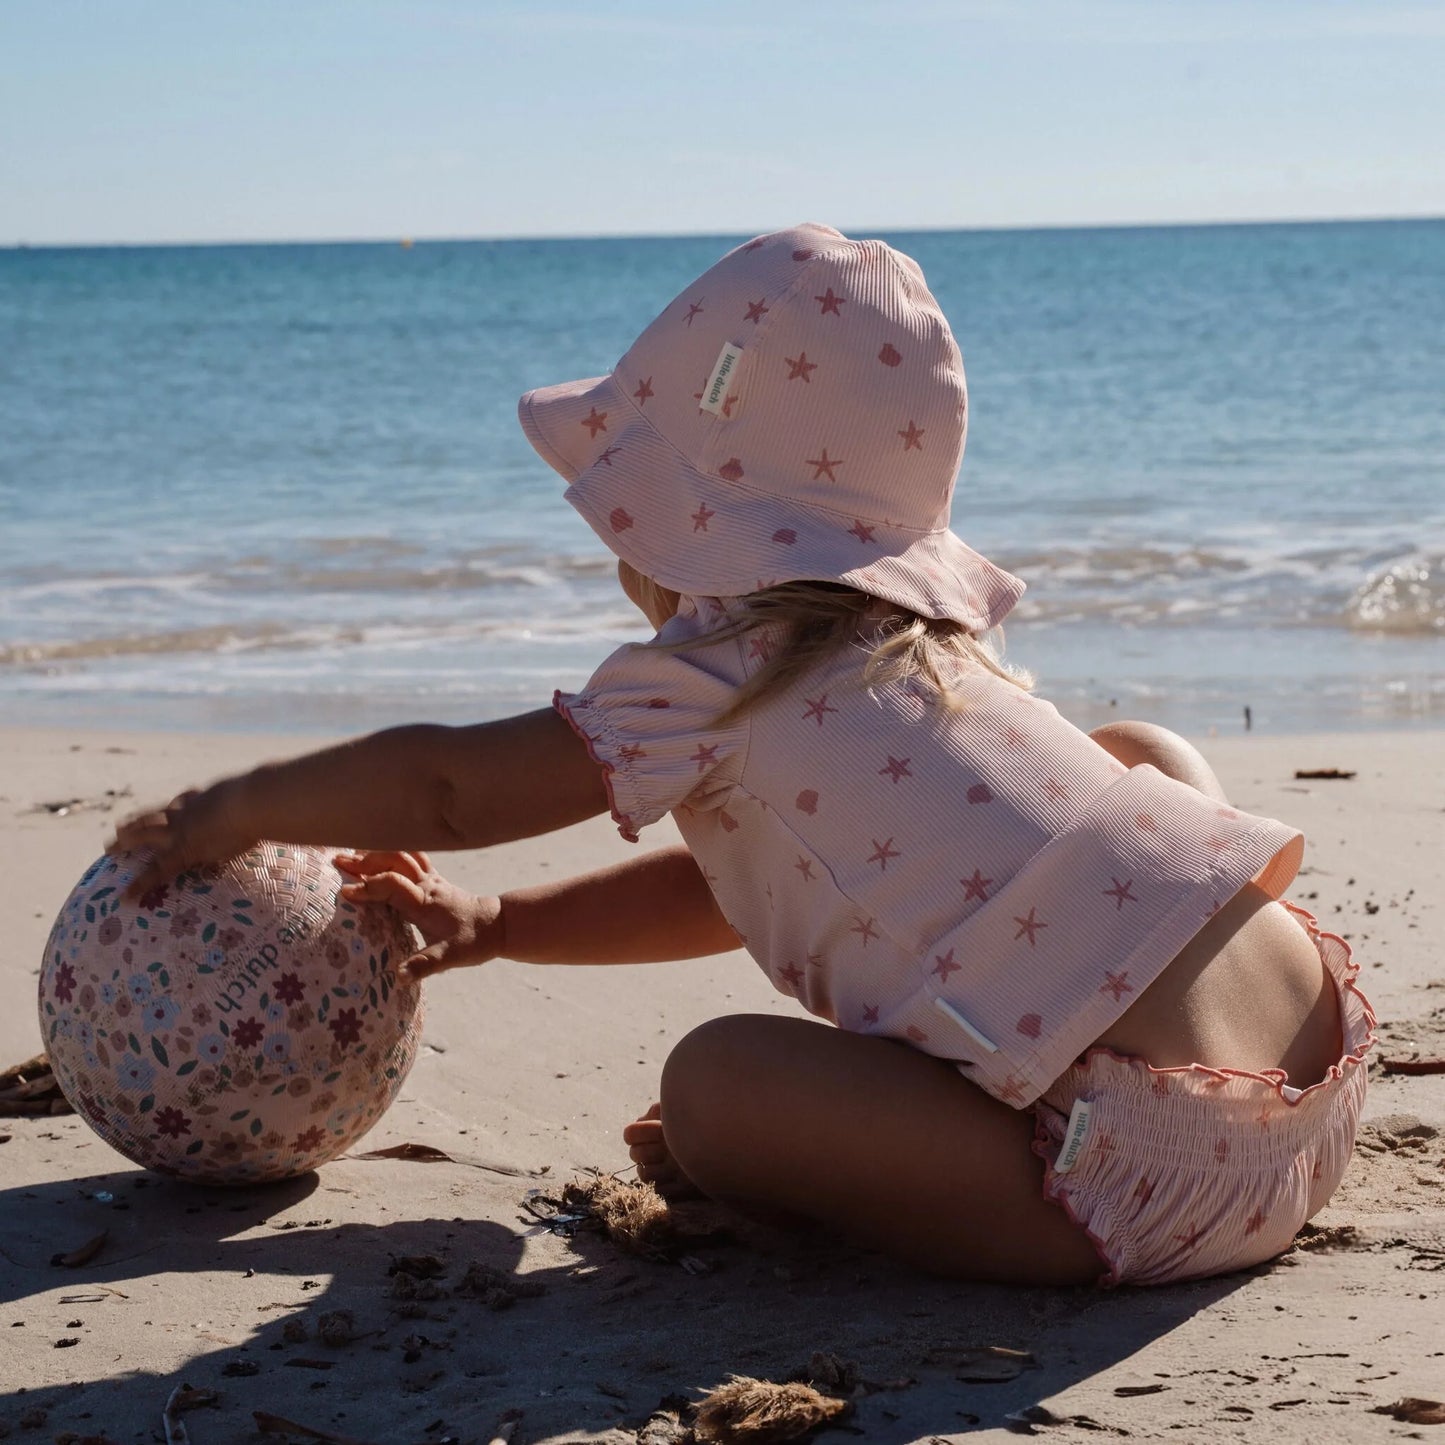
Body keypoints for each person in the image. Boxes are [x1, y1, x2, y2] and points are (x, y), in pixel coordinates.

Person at [112, 223, 1374, 1288]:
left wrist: (235, 806)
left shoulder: (708, 681)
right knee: (1132, 754)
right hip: (1315, 1071)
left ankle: (825, 1184)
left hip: (1136, 1181)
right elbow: (756, 888)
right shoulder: (932, 651)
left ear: (670, 519)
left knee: (711, 1091)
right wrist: (498, 923)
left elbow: (446, 785)